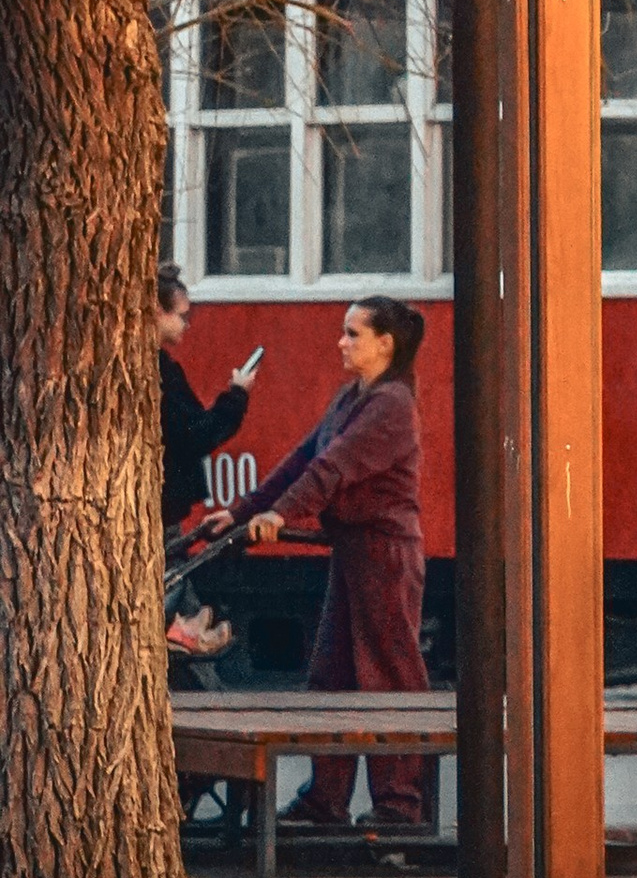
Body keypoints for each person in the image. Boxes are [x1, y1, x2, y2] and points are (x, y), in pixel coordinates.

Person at [205, 297, 431, 833]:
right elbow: (302, 460)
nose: (342, 342)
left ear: (385, 345)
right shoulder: (352, 397)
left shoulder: (392, 404)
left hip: (386, 555)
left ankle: (399, 807)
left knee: (389, 678)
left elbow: (334, 469)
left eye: (353, 334)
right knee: (332, 675)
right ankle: (325, 800)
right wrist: (242, 511)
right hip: (354, 554)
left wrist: (280, 515)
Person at [155, 267, 259, 534]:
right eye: (182, 316)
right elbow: (197, 434)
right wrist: (237, 395)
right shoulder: (161, 372)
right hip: (161, 508)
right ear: (157, 312)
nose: (187, 324)